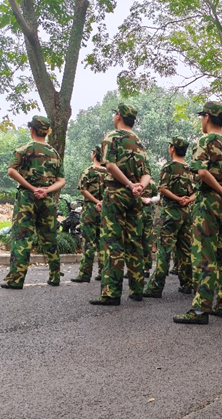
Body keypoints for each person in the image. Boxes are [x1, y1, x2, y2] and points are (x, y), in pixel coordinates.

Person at [173, 101, 222, 324]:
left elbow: (202, 172)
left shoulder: (204, 141)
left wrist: (221, 190)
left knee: (204, 254)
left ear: (207, 117)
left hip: (207, 201)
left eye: (201, 117)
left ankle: (200, 310)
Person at [89, 103, 151, 305]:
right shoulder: (139, 142)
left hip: (116, 192)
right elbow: (147, 173)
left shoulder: (112, 137)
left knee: (112, 241)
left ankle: (111, 293)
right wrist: (139, 187)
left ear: (118, 116)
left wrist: (129, 185)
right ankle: (137, 289)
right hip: (135, 197)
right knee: (134, 241)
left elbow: (110, 165)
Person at [1, 116, 66, 289]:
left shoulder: (24, 149)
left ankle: (16, 279)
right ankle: (55, 276)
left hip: (26, 199)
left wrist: (32, 188)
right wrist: (46, 190)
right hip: (47, 200)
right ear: (46, 132)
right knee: (50, 237)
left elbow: (11, 171)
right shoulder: (54, 153)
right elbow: (61, 180)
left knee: (22, 238)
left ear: (32, 130)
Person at [144, 136, 195, 297]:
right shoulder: (191, 169)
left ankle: (156, 287)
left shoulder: (168, 167)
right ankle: (187, 283)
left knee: (164, 249)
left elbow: (163, 189)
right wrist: (187, 199)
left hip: (170, 213)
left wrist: (177, 199)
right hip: (186, 213)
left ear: (173, 148)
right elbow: (197, 192)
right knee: (185, 249)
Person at [71, 146, 107, 283]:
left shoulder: (88, 171)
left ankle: (85, 274)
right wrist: (102, 202)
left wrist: (96, 201)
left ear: (94, 155)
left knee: (88, 242)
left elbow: (82, 189)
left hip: (90, 209)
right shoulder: (109, 172)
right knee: (103, 242)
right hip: (105, 209)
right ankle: (103, 272)